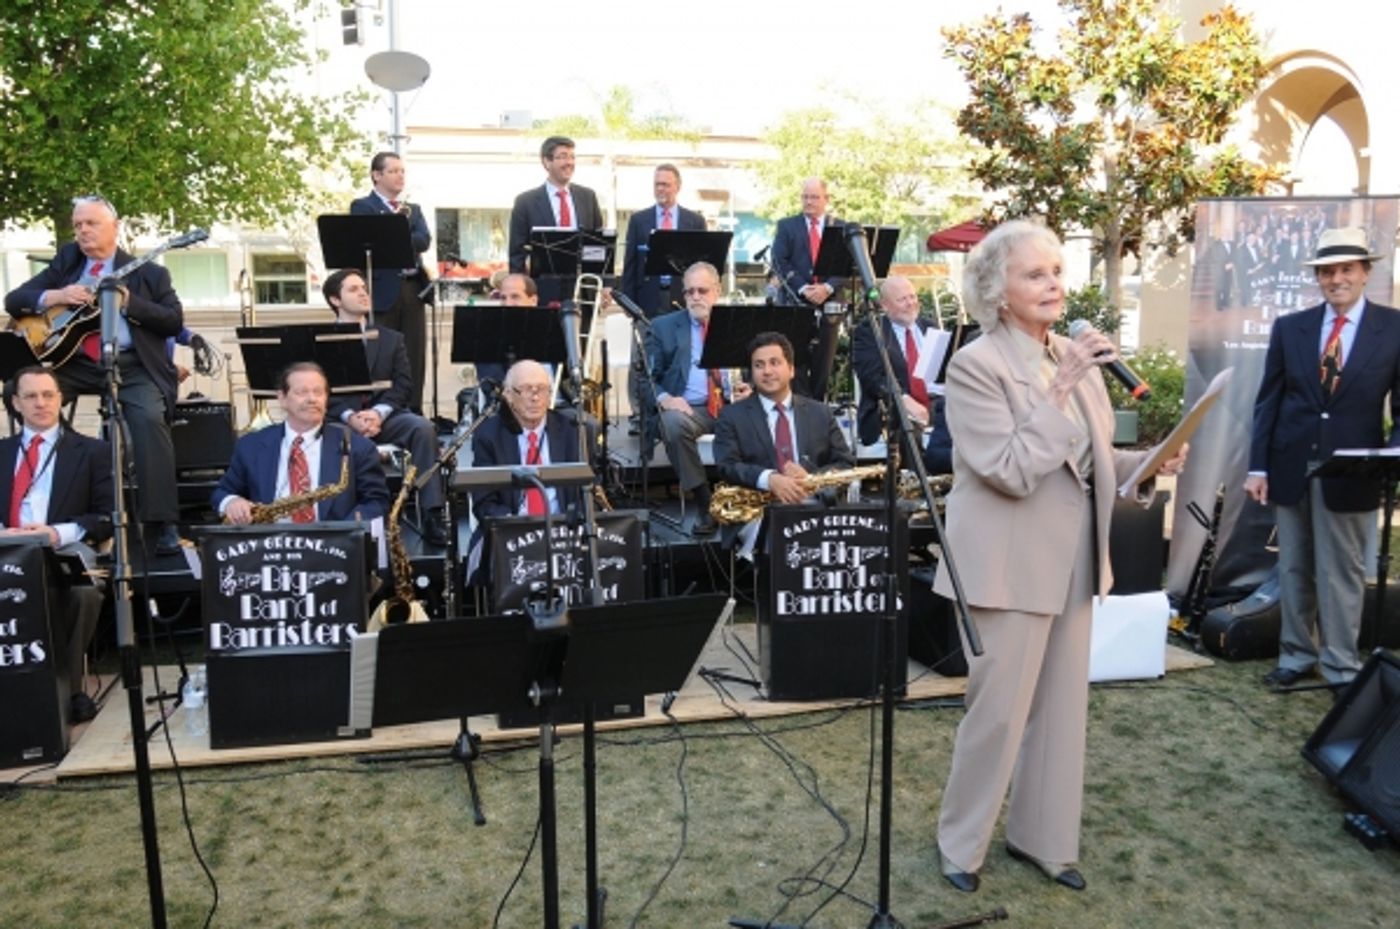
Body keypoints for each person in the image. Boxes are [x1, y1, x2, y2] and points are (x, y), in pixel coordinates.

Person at [931, 220, 1185, 894]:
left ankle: (1043, 840)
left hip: (1073, 561)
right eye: (1034, 274)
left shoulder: (1071, 356)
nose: (1053, 284)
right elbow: (1010, 469)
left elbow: (1088, 460)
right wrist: (1063, 386)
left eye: (1056, 272)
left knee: (1062, 710)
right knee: (998, 714)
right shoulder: (975, 365)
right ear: (997, 292)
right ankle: (961, 845)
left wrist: (1148, 461)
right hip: (1005, 568)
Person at [1246, 227, 1400, 689]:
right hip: (1291, 464)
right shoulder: (1290, 328)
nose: (1336, 279)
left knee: (1342, 574)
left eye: (1346, 269)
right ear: (1318, 277)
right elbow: (1268, 401)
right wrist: (1258, 466)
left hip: (1352, 473)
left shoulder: (1394, 328)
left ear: (1365, 273)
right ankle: (1295, 657)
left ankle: (1340, 667)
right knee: (1293, 567)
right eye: (1327, 271)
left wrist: (1390, 458)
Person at [4, 195, 184, 555]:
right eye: (78, 225)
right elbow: (15, 300)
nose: (83, 231)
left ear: (115, 229)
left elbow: (172, 321)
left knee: (148, 420)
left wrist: (130, 302)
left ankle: (161, 522)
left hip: (132, 365)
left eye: (91, 223)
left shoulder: (150, 273)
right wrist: (58, 293)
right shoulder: (69, 261)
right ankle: (69, 470)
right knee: (20, 394)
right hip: (74, 365)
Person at [0, 366, 113, 723]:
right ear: (16, 403)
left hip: (64, 543)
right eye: (31, 396)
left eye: (48, 395)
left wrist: (56, 533)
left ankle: (68, 688)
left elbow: (108, 515)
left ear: (60, 399)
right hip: (6, 547)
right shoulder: (1, 453)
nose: (41, 403)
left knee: (83, 591)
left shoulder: (93, 451)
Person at [322, 269, 447, 545]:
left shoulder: (392, 338)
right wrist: (350, 416)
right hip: (342, 421)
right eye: (353, 289)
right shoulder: (321, 340)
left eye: (364, 287)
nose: (364, 292)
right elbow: (321, 392)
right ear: (335, 300)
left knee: (423, 428)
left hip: (386, 416)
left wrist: (378, 413)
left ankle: (432, 514)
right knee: (331, 438)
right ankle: (341, 518)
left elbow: (404, 385)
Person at [646, 261, 752, 536]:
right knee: (671, 423)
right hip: (691, 409)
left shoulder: (737, 324)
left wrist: (752, 388)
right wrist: (666, 398)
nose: (695, 297)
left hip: (734, 404)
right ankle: (705, 502)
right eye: (689, 291)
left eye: (702, 290)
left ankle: (762, 499)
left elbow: (759, 366)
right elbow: (642, 379)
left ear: (717, 291)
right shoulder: (663, 327)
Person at [213, 362, 389, 525]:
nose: (312, 399)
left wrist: (345, 531)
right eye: (301, 392)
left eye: (318, 392)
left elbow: (377, 502)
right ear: (282, 398)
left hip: (332, 549)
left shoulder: (358, 447)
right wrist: (231, 502)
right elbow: (222, 493)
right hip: (268, 548)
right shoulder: (250, 446)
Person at [468, 360, 585, 582]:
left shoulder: (571, 430)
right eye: (526, 390)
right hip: (513, 533)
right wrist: (515, 526)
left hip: (564, 533)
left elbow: (588, 493)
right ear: (509, 395)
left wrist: (568, 524)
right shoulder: (489, 435)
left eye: (542, 389)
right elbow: (484, 503)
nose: (535, 397)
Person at [712, 332, 852, 500]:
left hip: (813, 507)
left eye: (775, 363)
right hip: (760, 512)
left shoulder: (821, 413)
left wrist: (812, 478)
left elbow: (845, 464)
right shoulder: (731, 416)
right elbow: (727, 465)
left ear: (791, 370)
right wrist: (768, 479)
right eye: (759, 365)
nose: (767, 371)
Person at [349, 151, 432, 414]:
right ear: (377, 175)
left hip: (411, 287)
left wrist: (396, 232)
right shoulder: (364, 206)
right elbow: (377, 237)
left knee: (414, 352)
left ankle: (414, 408)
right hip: (382, 290)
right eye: (394, 171)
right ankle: (381, 409)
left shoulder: (413, 209)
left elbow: (423, 241)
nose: (400, 176)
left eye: (402, 171)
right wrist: (398, 230)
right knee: (382, 351)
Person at [850, 274, 954, 473]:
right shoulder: (870, 331)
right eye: (902, 299)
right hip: (891, 409)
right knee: (907, 424)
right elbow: (873, 378)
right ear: (885, 305)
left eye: (913, 297)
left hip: (934, 405)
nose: (911, 303)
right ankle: (920, 486)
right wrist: (905, 401)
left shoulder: (929, 326)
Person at [507, 136, 603, 276]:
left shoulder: (588, 197)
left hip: (582, 285)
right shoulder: (525, 202)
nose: (569, 162)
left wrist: (603, 282)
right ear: (547, 161)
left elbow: (598, 244)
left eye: (572, 157)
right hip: (541, 286)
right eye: (563, 157)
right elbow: (517, 254)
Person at [621, 164, 707, 317]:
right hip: (647, 300)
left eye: (665, 184)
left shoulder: (695, 222)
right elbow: (630, 264)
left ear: (678, 187)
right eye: (657, 184)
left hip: (684, 298)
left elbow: (703, 266)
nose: (660, 189)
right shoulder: (638, 220)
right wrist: (628, 303)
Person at [770, 178, 846, 307]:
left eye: (814, 197)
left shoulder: (841, 227)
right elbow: (779, 261)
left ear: (826, 199)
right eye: (805, 197)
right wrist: (804, 288)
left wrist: (827, 287)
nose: (809, 202)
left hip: (832, 304)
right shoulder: (786, 226)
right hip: (795, 301)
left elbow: (846, 264)